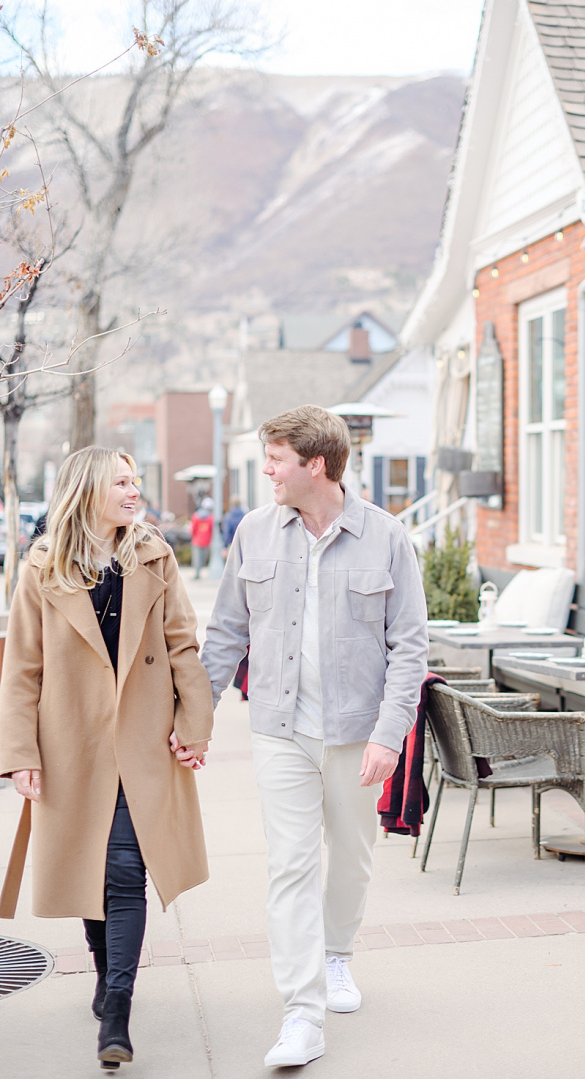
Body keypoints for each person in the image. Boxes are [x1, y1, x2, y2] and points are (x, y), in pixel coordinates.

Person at [200, 405, 426, 1069]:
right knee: (290, 866)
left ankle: (336, 956)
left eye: (275, 459)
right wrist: (199, 719)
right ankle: (301, 1014)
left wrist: (391, 734)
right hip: (279, 730)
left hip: (358, 734)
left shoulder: (386, 538)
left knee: (352, 859)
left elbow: (409, 648)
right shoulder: (255, 534)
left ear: (315, 465)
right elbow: (224, 635)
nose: (266, 470)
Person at [0, 447, 212, 1069]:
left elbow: (182, 646)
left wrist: (193, 724)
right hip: (72, 745)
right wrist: (19, 752)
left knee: (125, 873)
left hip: (141, 741)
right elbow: (21, 671)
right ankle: (104, 973)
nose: (133, 489)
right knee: (91, 874)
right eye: (121, 480)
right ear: (89, 489)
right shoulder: (42, 566)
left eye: (135, 479)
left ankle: (116, 1007)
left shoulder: (153, 554)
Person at [189, 498, 213, 580]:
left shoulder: (196, 516)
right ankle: (199, 573)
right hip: (206, 540)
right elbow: (211, 530)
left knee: (196, 558)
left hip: (197, 540)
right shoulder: (210, 518)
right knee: (203, 558)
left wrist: (194, 536)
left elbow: (193, 529)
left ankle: (197, 573)